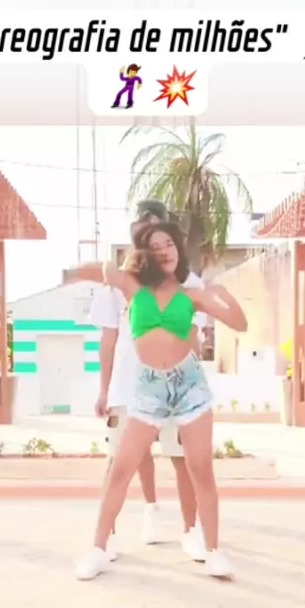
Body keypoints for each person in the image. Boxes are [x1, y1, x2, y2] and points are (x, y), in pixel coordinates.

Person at [63, 220, 248, 581]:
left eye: (169, 244)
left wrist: (223, 292)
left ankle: (213, 551)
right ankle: (98, 549)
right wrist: (71, 274)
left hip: (189, 386)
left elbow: (239, 323)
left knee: (200, 469)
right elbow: (100, 270)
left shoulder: (192, 295)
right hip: (149, 388)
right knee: (121, 468)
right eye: (156, 246)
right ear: (145, 255)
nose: (164, 250)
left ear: (178, 250)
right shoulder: (132, 288)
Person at [88, 200, 207, 564]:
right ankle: (107, 538)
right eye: (143, 231)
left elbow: (194, 340)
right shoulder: (116, 285)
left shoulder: (190, 283)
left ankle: (191, 531)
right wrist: (104, 389)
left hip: (176, 388)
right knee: (119, 462)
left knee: (182, 459)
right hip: (128, 387)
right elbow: (108, 339)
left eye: (159, 232)